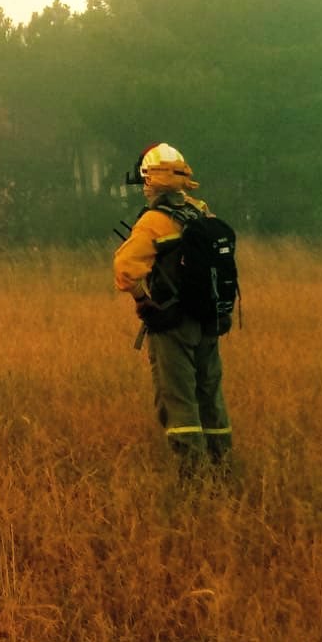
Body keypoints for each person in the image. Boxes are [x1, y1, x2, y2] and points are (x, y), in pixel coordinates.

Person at [112, 143, 234, 474]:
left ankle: (192, 476)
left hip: (173, 325)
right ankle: (221, 464)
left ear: (149, 181)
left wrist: (142, 300)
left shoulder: (153, 221)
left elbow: (125, 268)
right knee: (210, 393)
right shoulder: (201, 211)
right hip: (210, 320)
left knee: (177, 398)